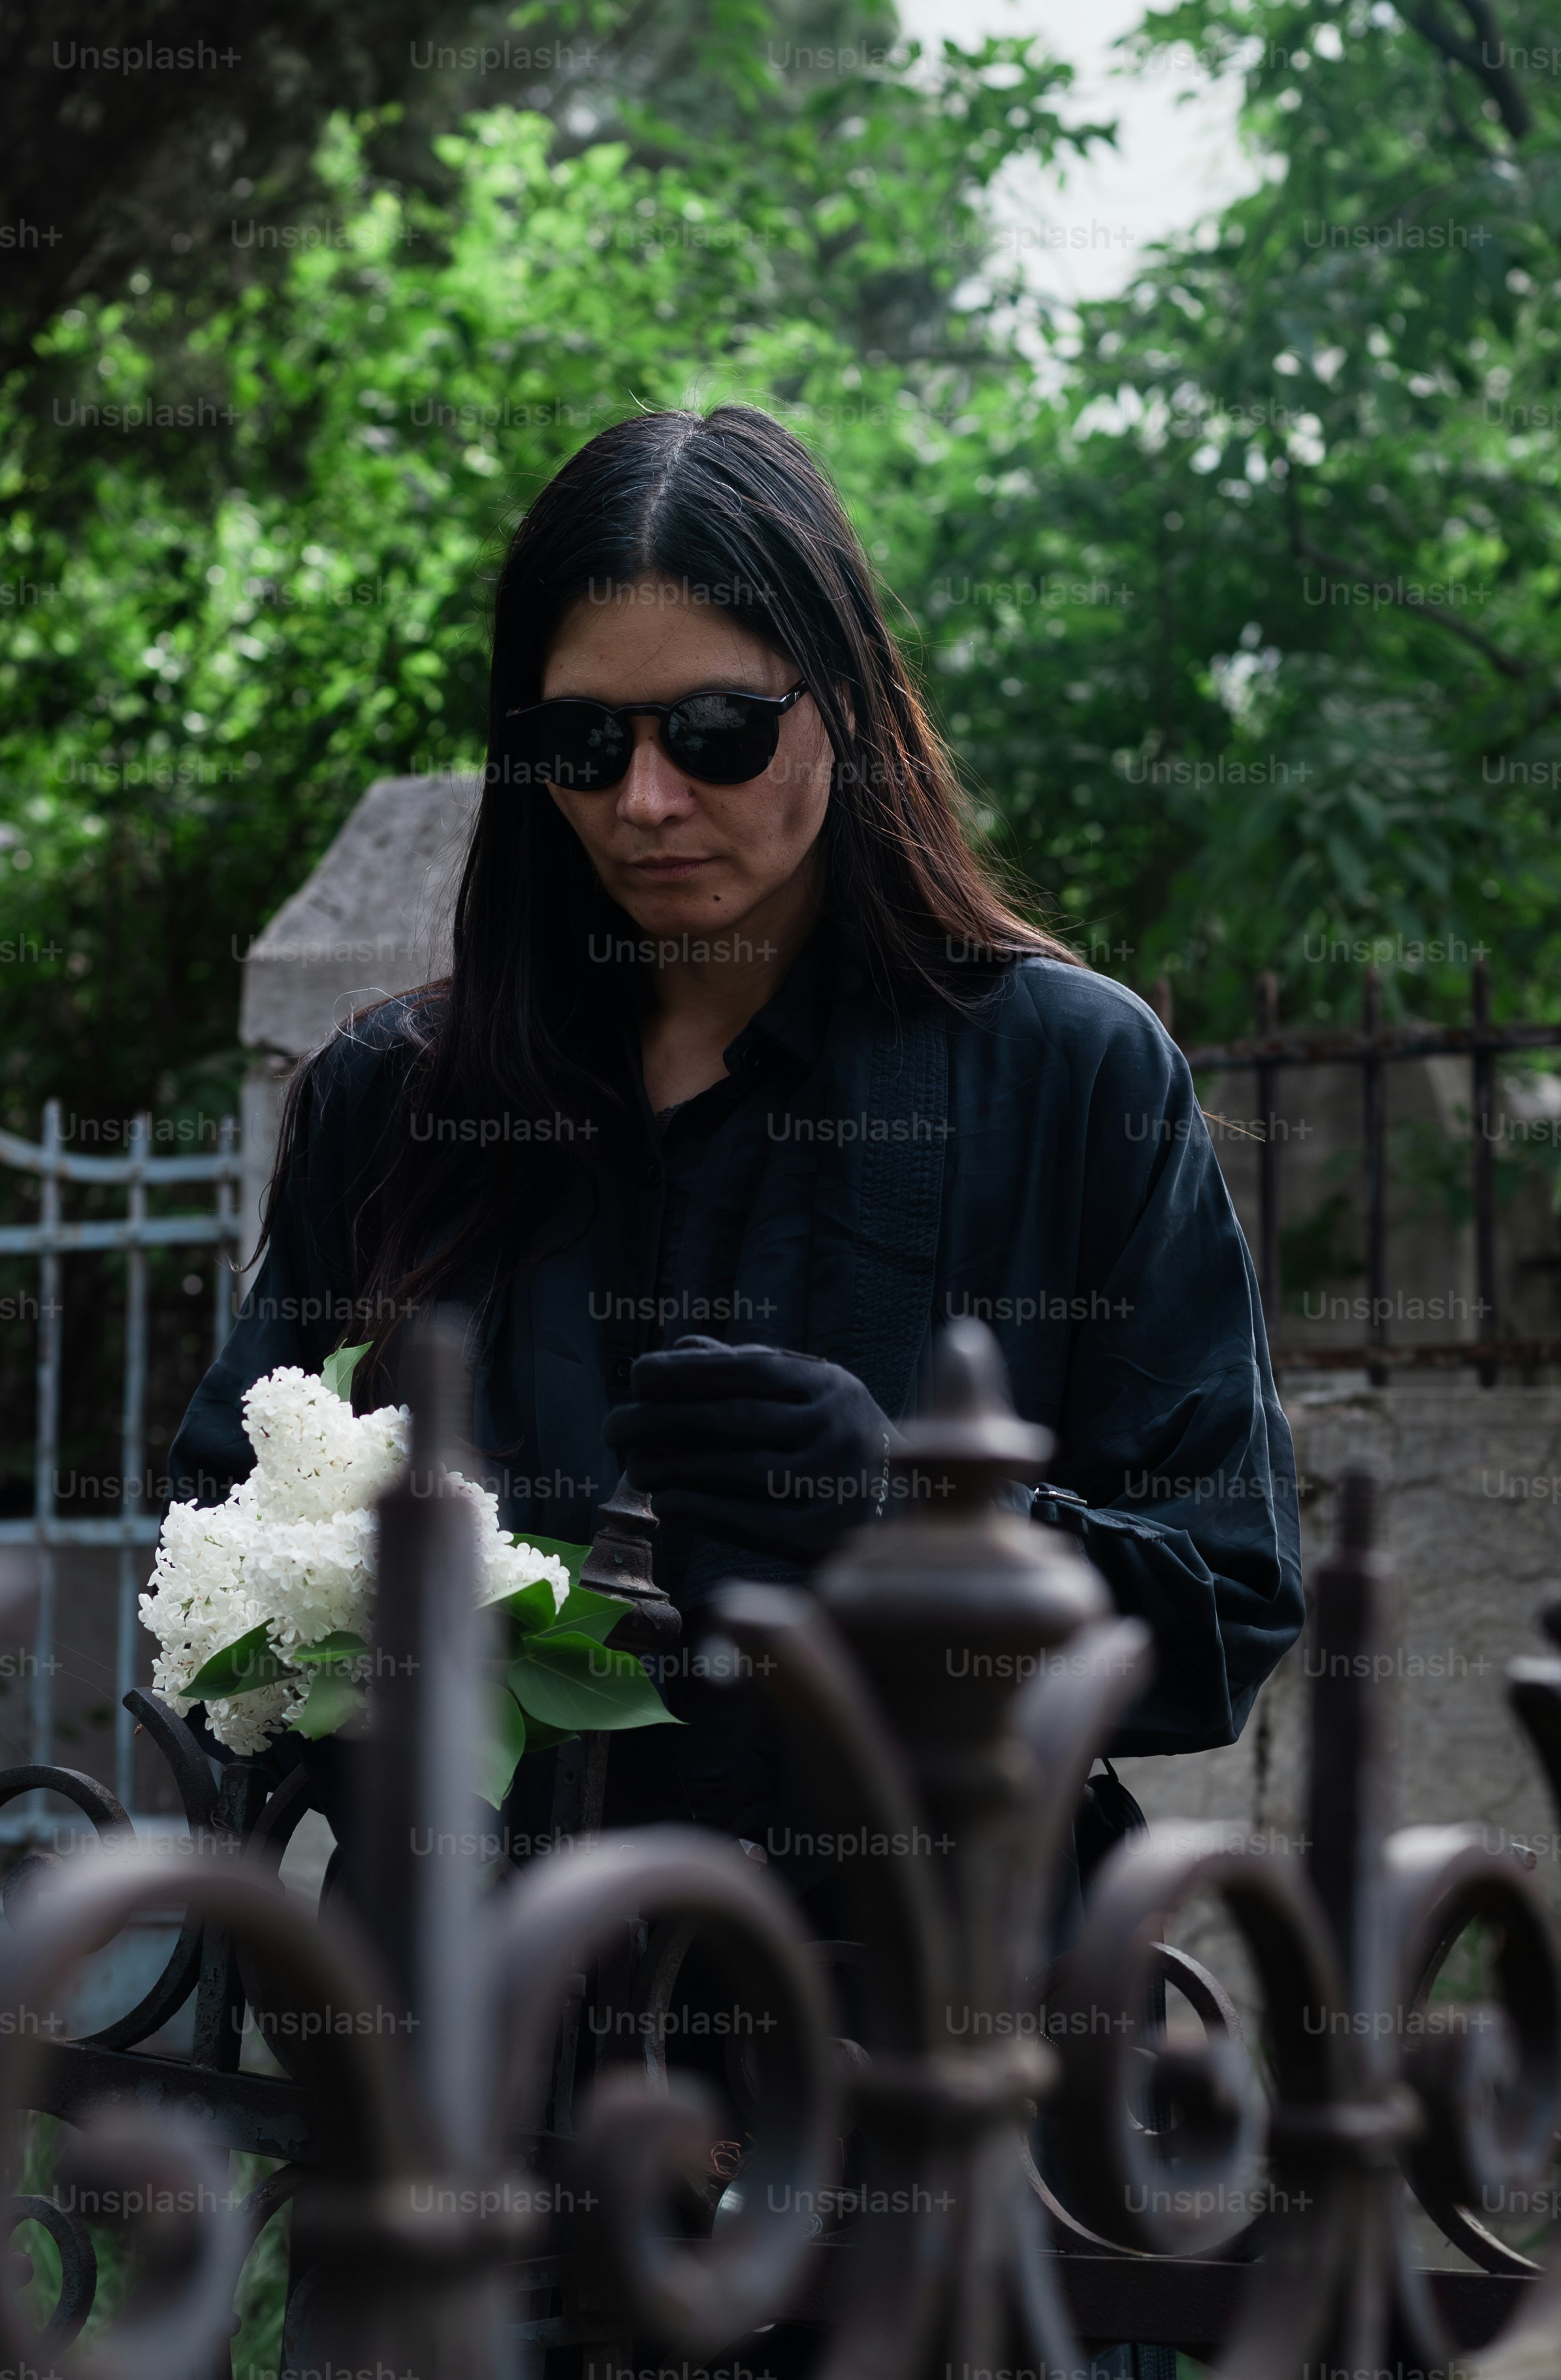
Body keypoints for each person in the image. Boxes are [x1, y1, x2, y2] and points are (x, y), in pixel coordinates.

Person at [168, 404, 1300, 1873]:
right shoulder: (397, 1099)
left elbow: (1225, 1614)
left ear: (841, 702)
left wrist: (909, 1518)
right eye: (583, 742)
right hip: (471, 2023)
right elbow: (214, 1548)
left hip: (914, 2018)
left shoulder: (1068, 1073)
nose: (647, 800)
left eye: (714, 732)